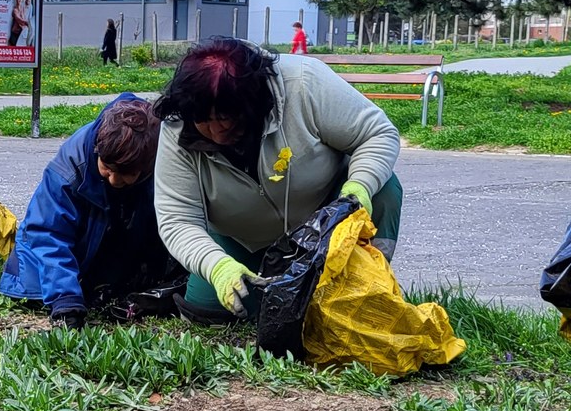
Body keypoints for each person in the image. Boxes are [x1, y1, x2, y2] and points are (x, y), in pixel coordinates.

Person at [152, 37, 405, 323]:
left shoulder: (305, 83)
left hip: (323, 224)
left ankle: (370, 288)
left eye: (226, 118)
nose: (216, 132)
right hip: (240, 239)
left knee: (384, 188)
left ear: (255, 101)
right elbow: (177, 219)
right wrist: (217, 266)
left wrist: (359, 186)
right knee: (212, 312)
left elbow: (378, 134)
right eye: (203, 120)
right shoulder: (178, 125)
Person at [0, 95, 177, 328]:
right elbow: (48, 234)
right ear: (97, 148)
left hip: (114, 247)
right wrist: (66, 300)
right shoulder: (69, 167)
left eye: (125, 174)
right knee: (43, 289)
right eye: (107, 168)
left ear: (148, 165)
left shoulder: (165, 157)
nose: (114, 180)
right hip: (47, 258)